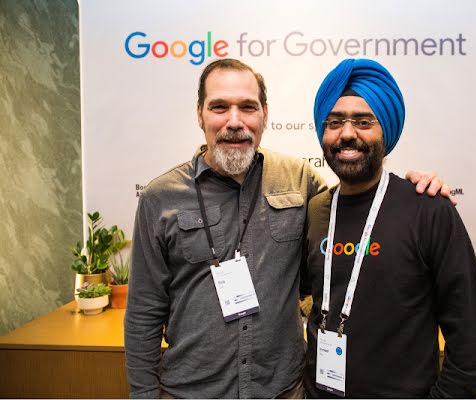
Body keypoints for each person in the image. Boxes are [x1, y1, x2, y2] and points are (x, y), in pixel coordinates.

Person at [124, 58, 453, 399]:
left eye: (247, 107)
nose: (234, 121)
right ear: (199, 114)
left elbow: (358, 208)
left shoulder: (300, 180)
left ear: (264, 114)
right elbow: (143, 316)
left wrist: (415, 187)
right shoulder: (159, 198)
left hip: (284, 390)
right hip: (189, 392)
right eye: (219, 107)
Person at [303, 59, 476, 398]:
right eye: (334, 122)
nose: (347, 133)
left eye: (363, 121)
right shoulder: (316, 211)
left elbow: (469, 336)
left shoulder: (429, 210)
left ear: (385, 131)